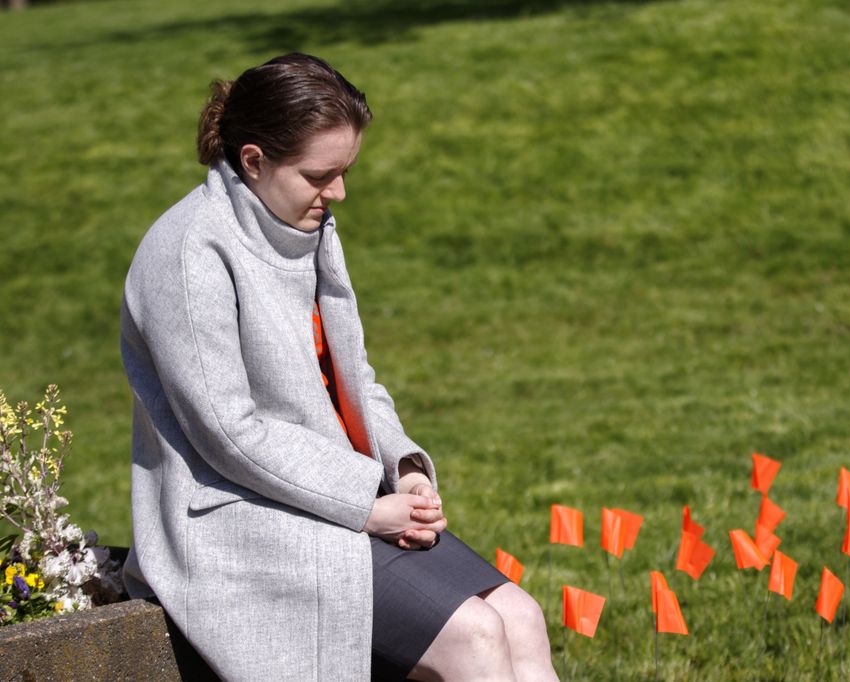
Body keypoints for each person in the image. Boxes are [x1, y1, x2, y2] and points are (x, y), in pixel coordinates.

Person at [120, 53, 557, 681]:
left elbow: (354, 378)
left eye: (345, 171)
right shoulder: (189, 252)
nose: (339, 192)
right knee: (474, 640)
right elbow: (228, 432)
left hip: (332, 497)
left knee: (520, 617)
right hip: (239, 519)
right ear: (253, 161)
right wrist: (365, 505)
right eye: (321, 174)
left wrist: (401, 468)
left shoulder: (306, 223)